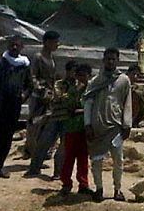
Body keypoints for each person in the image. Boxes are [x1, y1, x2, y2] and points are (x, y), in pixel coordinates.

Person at [84, 47, 132, 202]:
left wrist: (127, 125)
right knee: (96, 160)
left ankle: (117, 189)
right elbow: (88, 104)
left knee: (118, 160)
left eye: (113, 59)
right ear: (103, 61)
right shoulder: (95, 81)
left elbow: (127, 104)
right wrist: (87, 125)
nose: (111, 62)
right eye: (108, 59)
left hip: (116, 127)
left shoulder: (123, 80)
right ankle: (99, 189)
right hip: (98, 127)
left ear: (117, 61)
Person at [0, 36, 32, 179]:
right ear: (8, 47)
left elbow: (29, 86)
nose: (14, 47)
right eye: (12, 45)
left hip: (13, 107)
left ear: (21, 48)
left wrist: (23, 97)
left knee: (6, 137)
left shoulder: (24, 66)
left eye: (17, 45)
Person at [24, 30, 63, 178]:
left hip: (49, 98)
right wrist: (41, 89)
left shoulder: (52, 58)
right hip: (38, 98)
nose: (57, 44)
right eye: (55, 41)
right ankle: (33, 158)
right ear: (47, 42)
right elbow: (32, 77)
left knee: (46, 129)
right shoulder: (38, 57)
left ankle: (39, 159)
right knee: (34, 127)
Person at [56, 62, 93, 195]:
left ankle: (83, 184)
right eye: (80, 75)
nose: (82, 78)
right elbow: (70, 108)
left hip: (84, 128)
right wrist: (84, 110)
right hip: (72, 128)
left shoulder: (91, 90)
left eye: (85, 75)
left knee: (83, 158)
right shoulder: (73, 90)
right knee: (69, 157)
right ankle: (66, 183)